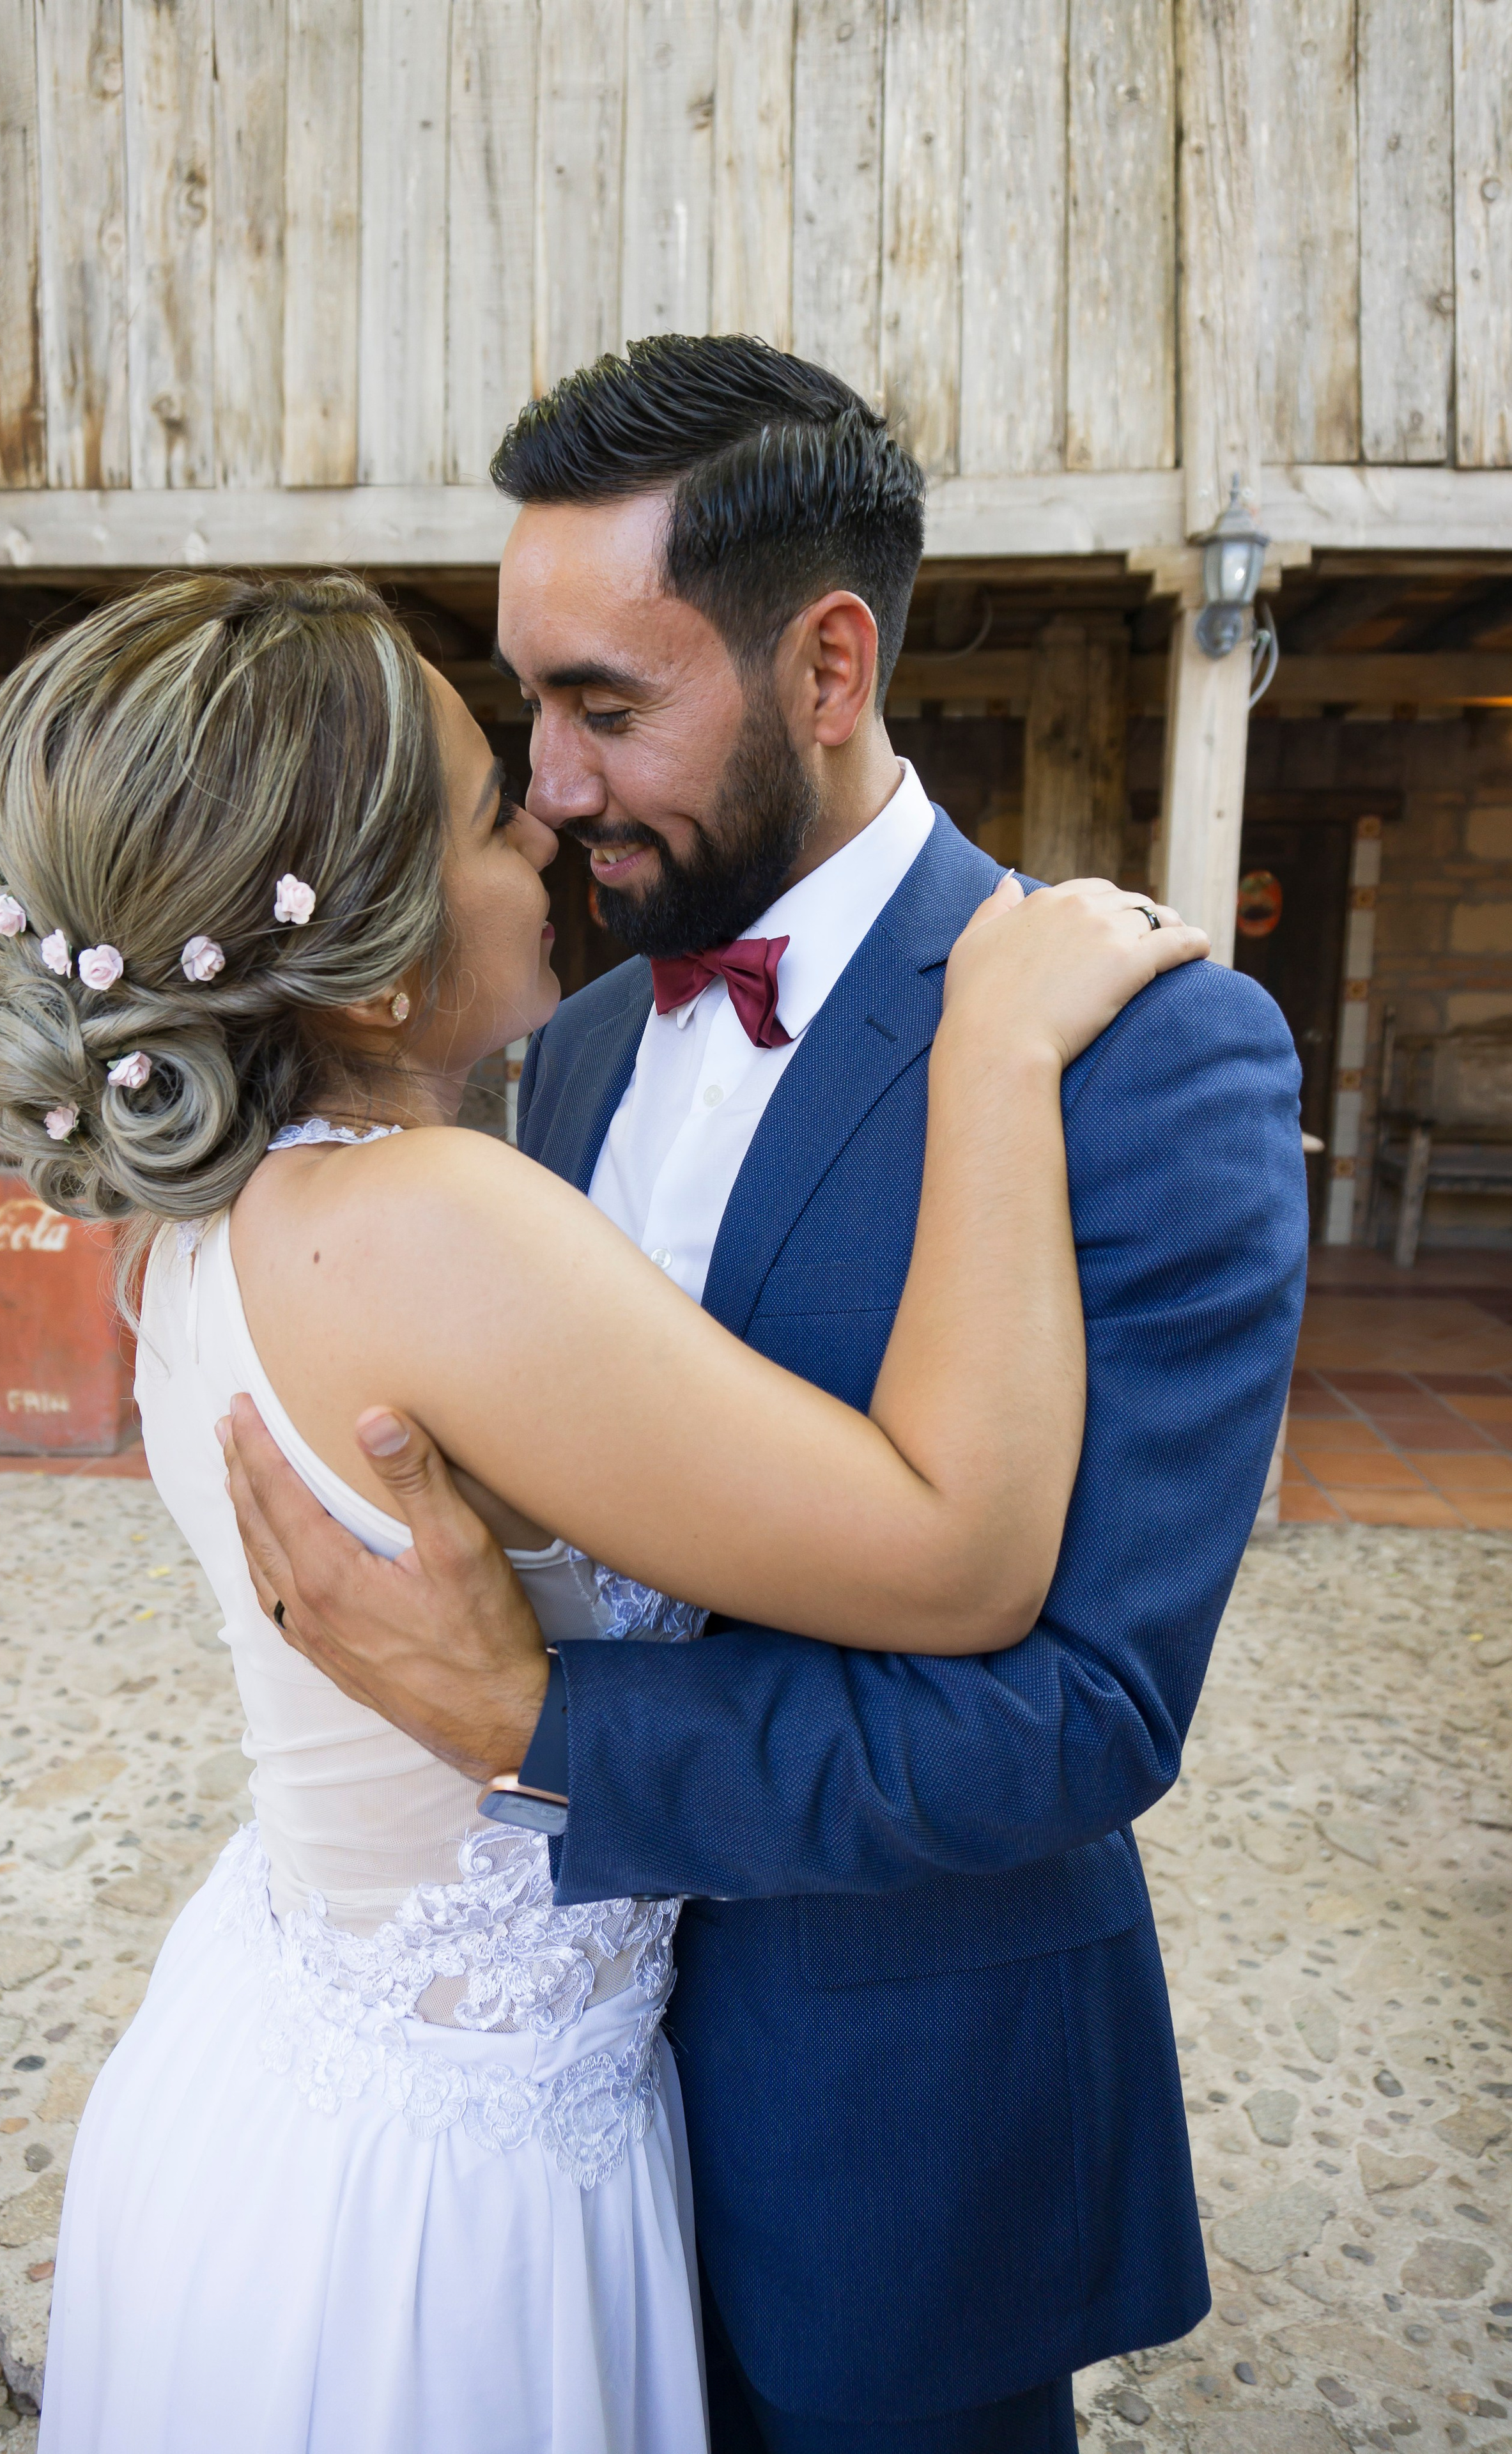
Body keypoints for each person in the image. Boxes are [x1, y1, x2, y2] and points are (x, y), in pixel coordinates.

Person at [0, 550, 1205, 2454]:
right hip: (456, 2168)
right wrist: (997, 1049)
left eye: (583, 722)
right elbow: (958, 1556)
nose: (546, 812)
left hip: (297, 2047)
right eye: (484, 806)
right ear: (375, 956)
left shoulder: (197, 1223)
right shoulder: (423, 1220)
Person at [222, 335, 1311, 2454]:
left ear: (828, 668)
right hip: (541, 2141)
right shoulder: (592, 1031)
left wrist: (544, 1728)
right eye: (528, 702)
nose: (542, 782)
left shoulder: (1153, 1058)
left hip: (894, 2134)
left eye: (605, 707)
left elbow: (1084, 1716)